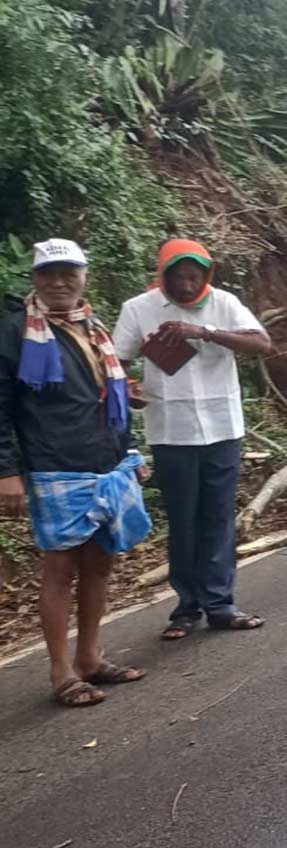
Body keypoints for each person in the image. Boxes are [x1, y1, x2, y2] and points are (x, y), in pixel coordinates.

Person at [0, 239, 152, 707]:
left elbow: (109, 399)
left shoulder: (92, 327)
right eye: (49, 274)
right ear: (35, 279)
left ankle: (90, 658)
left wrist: (129, 450)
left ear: (85, 277)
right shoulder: (16, 331)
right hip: (54, 467)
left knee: (101, 565)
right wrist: (6, 471)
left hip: (106, 463)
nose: (59, 282)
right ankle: (61, 673)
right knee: (60, 570)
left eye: (69, 273)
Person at [113, 239, 274, 640]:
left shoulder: (224, 303)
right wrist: (128, 387)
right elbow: (116, 360)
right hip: (171, 431)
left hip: (223, 427)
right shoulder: (139, 308)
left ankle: (220, 604)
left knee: (218, 517)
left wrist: (204, 332)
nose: (185, 285)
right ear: (162, 274)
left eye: (193, 276)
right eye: (177, 276)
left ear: (206, 275)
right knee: (183, 519)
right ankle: (185, 608)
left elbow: (261, 344)